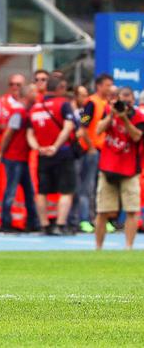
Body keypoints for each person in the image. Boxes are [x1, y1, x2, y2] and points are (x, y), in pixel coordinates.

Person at [27, 76, 79, 236]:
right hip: (62, 152)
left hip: (43, 154)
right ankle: (60, 224)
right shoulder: (64, 104)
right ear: (60, 88)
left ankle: (45, 225)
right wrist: (54, 147)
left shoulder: (36, 107)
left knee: (42, 191)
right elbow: (70, 126)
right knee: (66, 190)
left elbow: (29, 133)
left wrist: (38, 148)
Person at [94, 87, 143, 250]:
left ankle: (128, 247)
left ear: (133, 100)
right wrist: (112, 116)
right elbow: (97, 129)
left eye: (129, 98)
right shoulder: (103, 108)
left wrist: (125, 119)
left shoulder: (139, 116)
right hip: (108, 166)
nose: (125, 102)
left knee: (132, 209)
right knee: (102, 210)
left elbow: (137, 136)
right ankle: (98, 248)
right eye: (123, 98)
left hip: (130, 169)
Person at [0, 79, 43, 233]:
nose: (37, 94)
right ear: (27, 95)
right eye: (34, 92)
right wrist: (2, 153)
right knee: (11, 191)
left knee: (28, 192)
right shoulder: (19, 112)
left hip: (21, 158)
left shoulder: (26, 112)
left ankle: (32, 222)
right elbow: (9, 133)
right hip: (14, 158)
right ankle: (5, 222)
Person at [78, 74, 114, 233]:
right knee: (87, 186)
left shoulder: (107, 104)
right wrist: (90, 147)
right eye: (107, 85)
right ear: (99, 86)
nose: (109, 88)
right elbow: (83, 125)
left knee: (102, 187)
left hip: (104, 151)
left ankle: (101, 219)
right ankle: (85, 219)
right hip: (91, 151)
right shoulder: (90, 103)